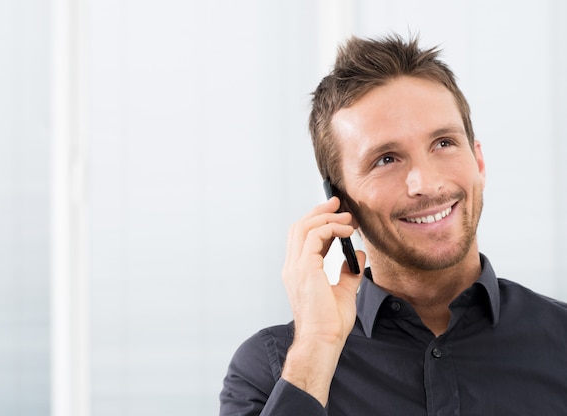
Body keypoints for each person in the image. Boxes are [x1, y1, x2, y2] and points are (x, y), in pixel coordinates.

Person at [219, 34, 567, 415]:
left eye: (444, 143)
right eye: (386, 159)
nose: (426, 184)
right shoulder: (269, 371)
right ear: (341, 202)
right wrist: (316, 347)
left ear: (478, 162)